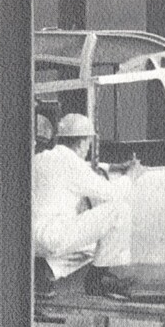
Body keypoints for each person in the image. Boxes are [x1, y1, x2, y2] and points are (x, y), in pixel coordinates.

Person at [33, 112, 135, 299]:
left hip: (29, 242)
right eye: (88, 144)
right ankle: (98, 280)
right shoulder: (71, 164)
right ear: (81, 143)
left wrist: (113, 169)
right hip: (52, 236)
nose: (88, 149)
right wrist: (131, 176)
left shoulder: (41, 158)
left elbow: (77, 173)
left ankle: (43, 271)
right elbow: (113, 194)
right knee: (120, 210)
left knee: (93, 245)